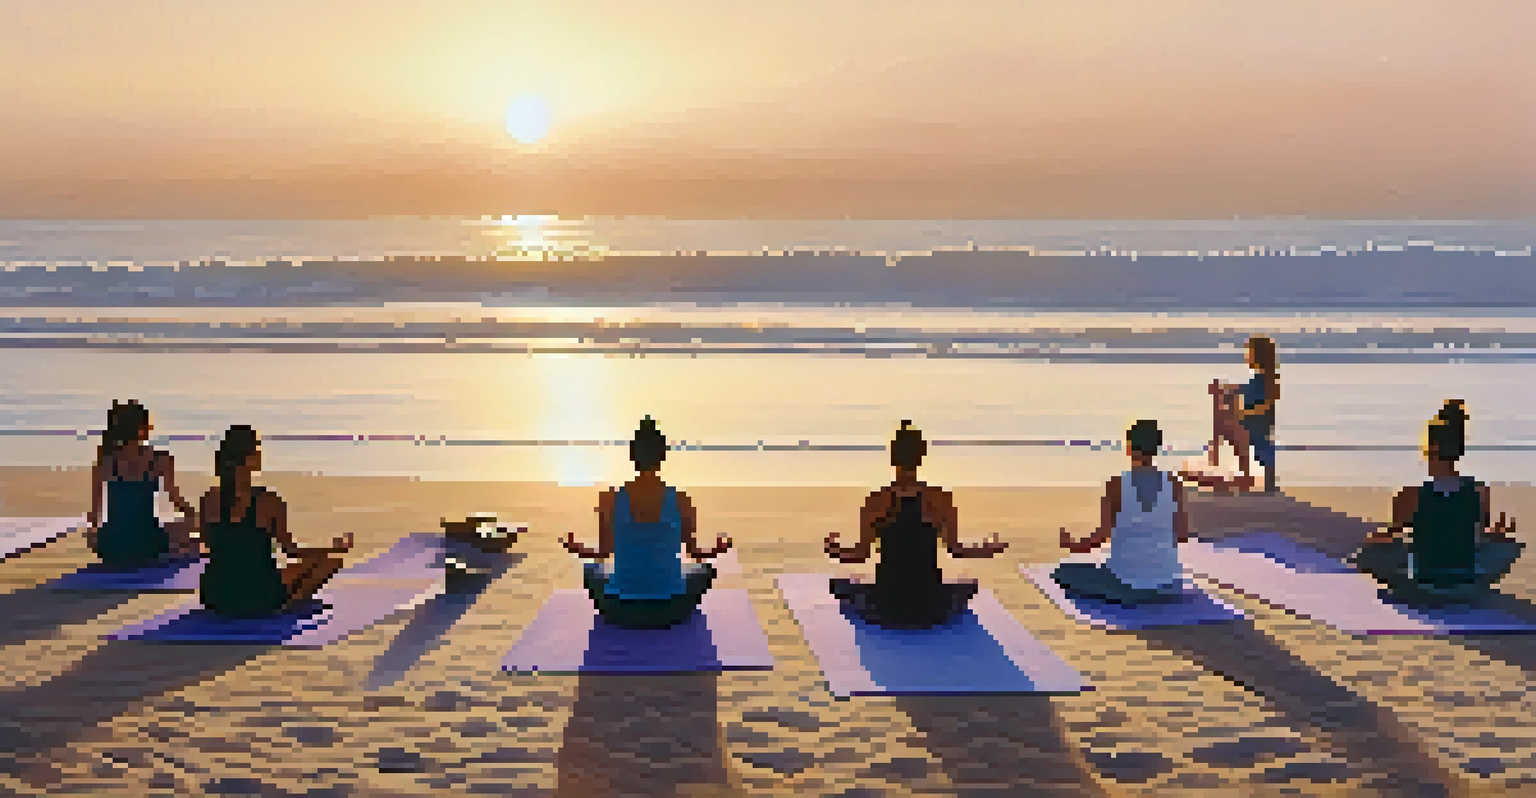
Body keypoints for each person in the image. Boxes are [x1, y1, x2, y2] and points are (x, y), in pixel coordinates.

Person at [824, 420, 1007, 629]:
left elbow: (860, 555)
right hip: (930, 607)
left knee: (842, 583)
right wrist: (987, 550)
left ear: (893, 458)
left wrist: (834, 550)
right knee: (967, 583)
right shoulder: (940, 499)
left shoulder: (877, 500)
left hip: (886, 607)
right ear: (921, 458)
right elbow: (956, 550)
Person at [563, 416, 731, 629]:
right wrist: (717, 549)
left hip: (619, 609)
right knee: (705, 571)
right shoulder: (681, 500)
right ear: (662, 456)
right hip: (671, 610)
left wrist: (576, 548)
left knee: (590, 570)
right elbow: (695, 554)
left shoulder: (610, 499)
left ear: (633, 456)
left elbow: (604, 553)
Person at [1353, 400, 1523, 604]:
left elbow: (1389, 537)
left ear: (1430, 450)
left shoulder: (1410, 495)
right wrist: (1497, 536)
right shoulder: (1478, 491)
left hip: (1422, 585)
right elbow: (1476, 539)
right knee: (1507, 547)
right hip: (1467, 583)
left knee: (1368, 552)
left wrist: (1372, 541)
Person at [196, 425, 353, 618]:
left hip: (215, 595)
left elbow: (207, 543)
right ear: (250, 458)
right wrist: (332, 549)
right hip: (259, 596)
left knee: (267, 572)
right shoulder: (269, 501)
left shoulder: (209, 499)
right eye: (258, 450)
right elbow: (291, 551)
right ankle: (285, 607)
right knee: (330, 562)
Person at [1055, 420, 1191, 604]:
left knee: (1064, 572)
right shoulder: (1174, 484)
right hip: (1169, 584)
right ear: (1157, 448)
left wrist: (1072, 545)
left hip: (1126, 583)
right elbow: (1182, 534)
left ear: (1129, 448)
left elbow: (1101, 536)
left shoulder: (1116, 485)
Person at [85, 400, 199, 567]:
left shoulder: (106, 462)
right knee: (190, 529)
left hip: (111, 545)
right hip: (147, 543)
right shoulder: (160, 459)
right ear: (141, 430)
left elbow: (94, 515)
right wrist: (195, 517)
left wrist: (96, 536)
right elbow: (176, 500)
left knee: (93, 535)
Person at [1205, 335, 1281, 492]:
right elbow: (1243, 388)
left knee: (1228, 426)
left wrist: (1243, 413)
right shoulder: (1259, 378)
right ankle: (1237, 471)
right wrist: (1224, 389)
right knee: (1225, 417)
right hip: (1250, 423)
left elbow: (1265, 405)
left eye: (1249, 352)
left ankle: (1243, 473)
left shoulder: (1268, 380)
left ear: (1258, 355)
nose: (1246, 356)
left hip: (1256, 425)